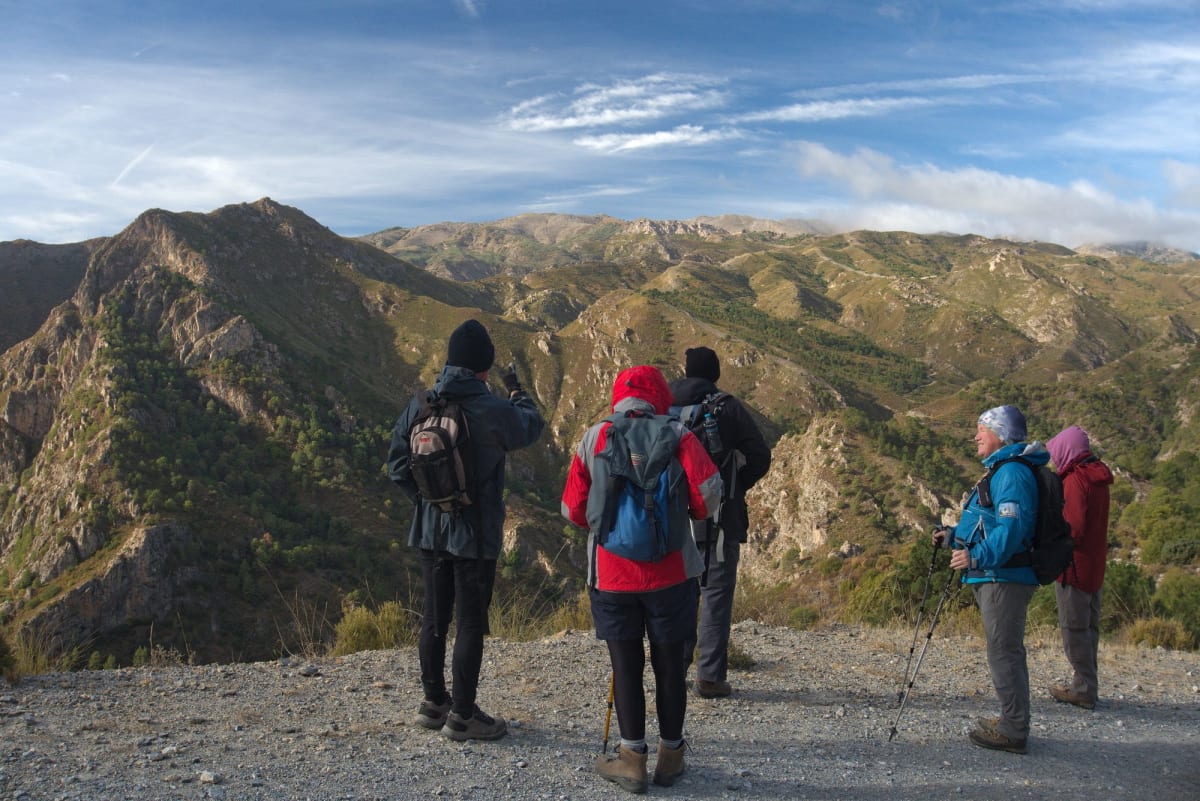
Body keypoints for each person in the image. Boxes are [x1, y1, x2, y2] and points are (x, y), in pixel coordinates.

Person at [561, 365, 723, 793]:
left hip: (613, 577)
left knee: (625, 664)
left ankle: (631, 758)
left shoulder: (594, 437)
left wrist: (613, 530)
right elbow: (708, 496)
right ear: (659, 397)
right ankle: (671, 758)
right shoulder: (680, 435)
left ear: (619, 398)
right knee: (671, 667)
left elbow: (573, 510)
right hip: (672, 575)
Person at [387, 319, 544, 741]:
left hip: (428, 532)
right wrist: (518, 391)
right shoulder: (491, 408)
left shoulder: (419, 404)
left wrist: (429, 502)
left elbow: (397, 467)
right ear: (484, 369)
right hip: (474, 534)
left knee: (434, 617)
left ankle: (433, 701)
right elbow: (530, 425)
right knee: (470, 622)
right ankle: (463, 715)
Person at [934, 405, 1044, 754]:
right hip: (996, 572)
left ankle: (1013, 730)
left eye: (982, 429)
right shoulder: (1003, 470)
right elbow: (990, 523)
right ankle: (1011, 719)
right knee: (1004, 649)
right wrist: (954, 537)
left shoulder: (1011, 472)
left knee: (1004, 651)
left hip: (1002, 574)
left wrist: (976, 556)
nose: (976, 436)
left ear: (1000, 433)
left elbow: (1013, 528)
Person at [669, 346, 772, 699]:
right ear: (714, 374)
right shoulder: (726, 406)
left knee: (677, 592)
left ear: (685, 372)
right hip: (718, 514)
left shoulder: (662, 404)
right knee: (715, 592)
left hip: (668, 515)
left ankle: (672, 670)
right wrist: (735, 483)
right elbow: (760, 455)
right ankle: (710, 677)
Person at [1046, 425, 1113, 710]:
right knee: (1089, 628)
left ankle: (1083, 689)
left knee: (1074, 628)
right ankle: (1087, 684)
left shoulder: (1076, 481)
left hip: (1075, 566)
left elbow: (1072, 528)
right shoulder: (1098, 477)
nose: (1054, 458)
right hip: (1095, 564)